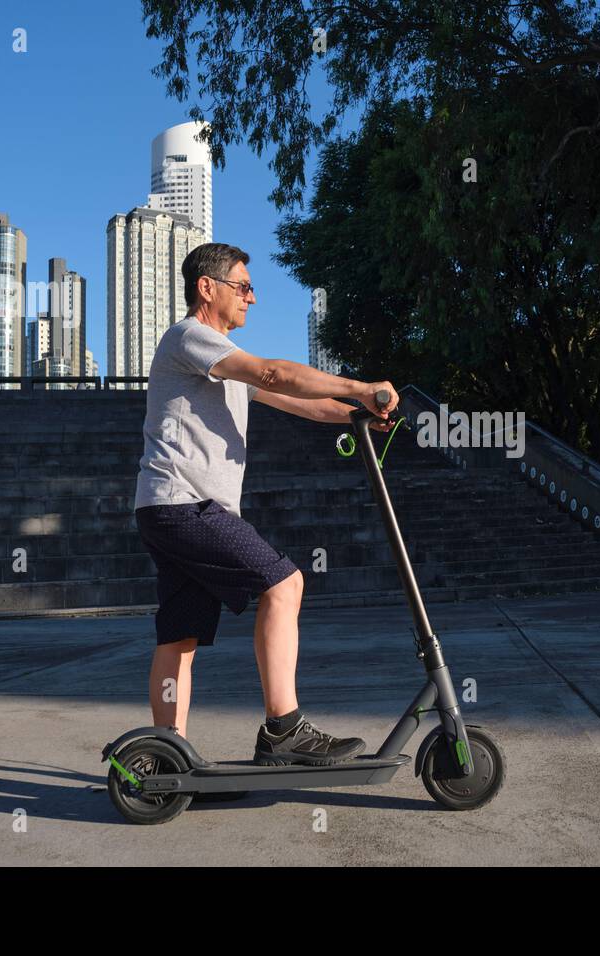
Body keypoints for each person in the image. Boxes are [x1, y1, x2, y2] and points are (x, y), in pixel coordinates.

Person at [133, 242, 397, 766]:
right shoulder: (191, 338)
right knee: (285, 582)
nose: (251, 298)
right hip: (187, 505)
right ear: (207, 288)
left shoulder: (221, 363)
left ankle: (170, 754)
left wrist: (355, 414)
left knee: (180, 635)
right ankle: (284, 730)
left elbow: (297, 400)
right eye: (243, 286)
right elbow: (275, 374)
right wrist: (363, 386)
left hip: (169, 508)